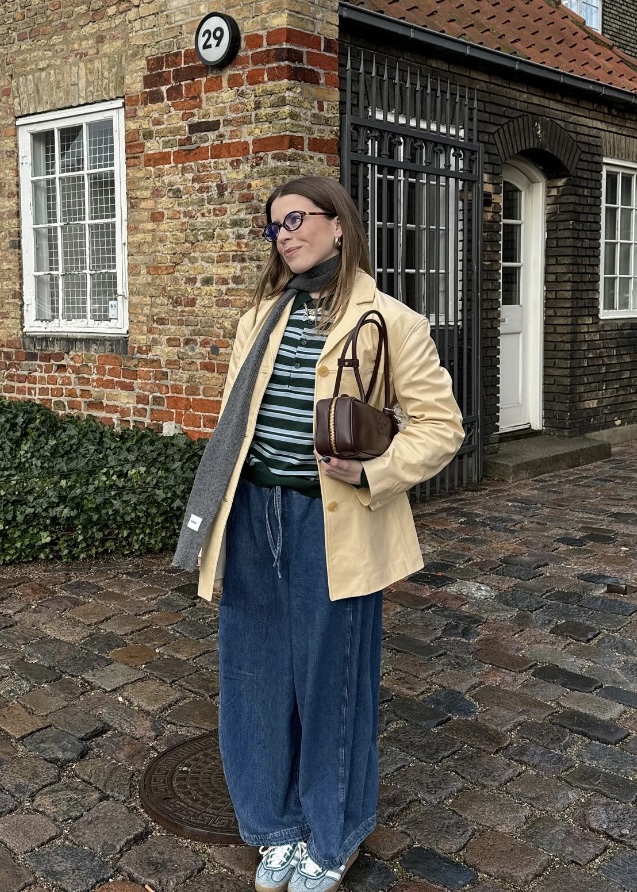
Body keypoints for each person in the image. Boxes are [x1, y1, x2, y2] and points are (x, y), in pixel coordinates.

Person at [173, 176, 464, 892]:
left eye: (297, 219)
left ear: (339, 226)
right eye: (275, 226)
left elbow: (441, 427)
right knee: (253, 680)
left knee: (332, 684)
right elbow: (238, 422)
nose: (286, 235)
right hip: (252, 517)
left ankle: (332, 838)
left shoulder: (392, 321)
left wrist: (371, 473)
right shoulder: (260, 317)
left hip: (331, 523)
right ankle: (272, 826)